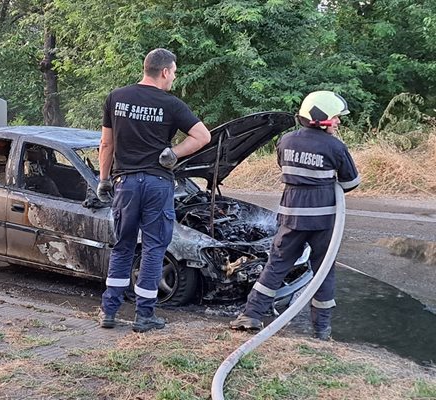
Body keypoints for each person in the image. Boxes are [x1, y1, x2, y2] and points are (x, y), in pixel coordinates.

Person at [96, 48, 211, 333]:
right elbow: (203, 136)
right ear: (164, 72)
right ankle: (143, 316)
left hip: (125, 184)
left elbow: (106, 144)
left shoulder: (116, 97)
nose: (174, 76)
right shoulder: (171, 104)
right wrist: (174, 152)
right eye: (174, 72)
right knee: (153, 248)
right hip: (157, 185)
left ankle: (109, 311)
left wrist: (103, 179)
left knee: (122, 247)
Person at [230, 90, 361, 340]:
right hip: (323, 219)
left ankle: (252, 314)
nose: (339, 122)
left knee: (276, 265)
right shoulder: (335, 146)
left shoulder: (286, 141)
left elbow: (285, 167)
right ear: (320, 118)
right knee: (323, 270)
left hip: (290, 214)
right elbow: (351, 182)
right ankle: (321, 329)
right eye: (336, 117)